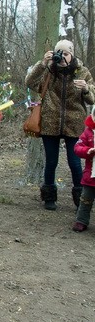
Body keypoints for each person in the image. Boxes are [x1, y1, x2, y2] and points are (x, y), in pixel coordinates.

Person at [25, 39, 95, 210]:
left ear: (72, 54)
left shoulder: (82, 72)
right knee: (51, 162)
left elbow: (91, 99)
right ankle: (49, 196)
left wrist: (86, 89)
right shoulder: (49, 70)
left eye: (66, 54)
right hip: (50, 122)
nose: (62, 57)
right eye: (59, 53)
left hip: (74, 123)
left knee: (74, 162)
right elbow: (30, 83)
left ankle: (81, 199)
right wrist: (43, 64)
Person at [73, 106, 95, 232]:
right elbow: (77, 148)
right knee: (85, 200)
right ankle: (81, 220)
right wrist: (88, 151)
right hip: (90, 176)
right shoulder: (88, 132)